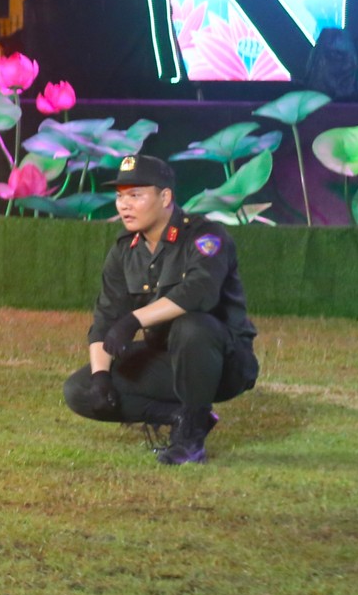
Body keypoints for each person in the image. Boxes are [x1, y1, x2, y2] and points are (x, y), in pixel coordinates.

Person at [62, 155, 260, 464]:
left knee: (191, 326)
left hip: (222, 363)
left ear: (165, 197)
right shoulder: (124, 252)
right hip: (167, 360)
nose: (124, 205)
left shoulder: (206, 236)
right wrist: (101, 378)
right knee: (79, 389)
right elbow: (105, 318)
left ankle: (191, 441)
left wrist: (134, 320)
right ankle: (183, 417)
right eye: (119, 196)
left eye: (135, 195)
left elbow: (199, 293)